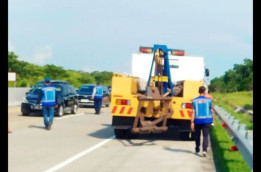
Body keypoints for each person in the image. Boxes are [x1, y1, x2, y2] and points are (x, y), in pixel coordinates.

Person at [191, 86, 214, 157]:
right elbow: (212, 110)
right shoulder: (209, 100)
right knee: (205, 136)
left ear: (199, 91)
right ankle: (204, 150)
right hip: (207, 120)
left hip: (197, 121)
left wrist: (192, 122)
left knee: (197, 135)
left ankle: (197, 149)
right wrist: (213, 121)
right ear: (204, 92)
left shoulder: (194, 101)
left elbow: (193, 112)